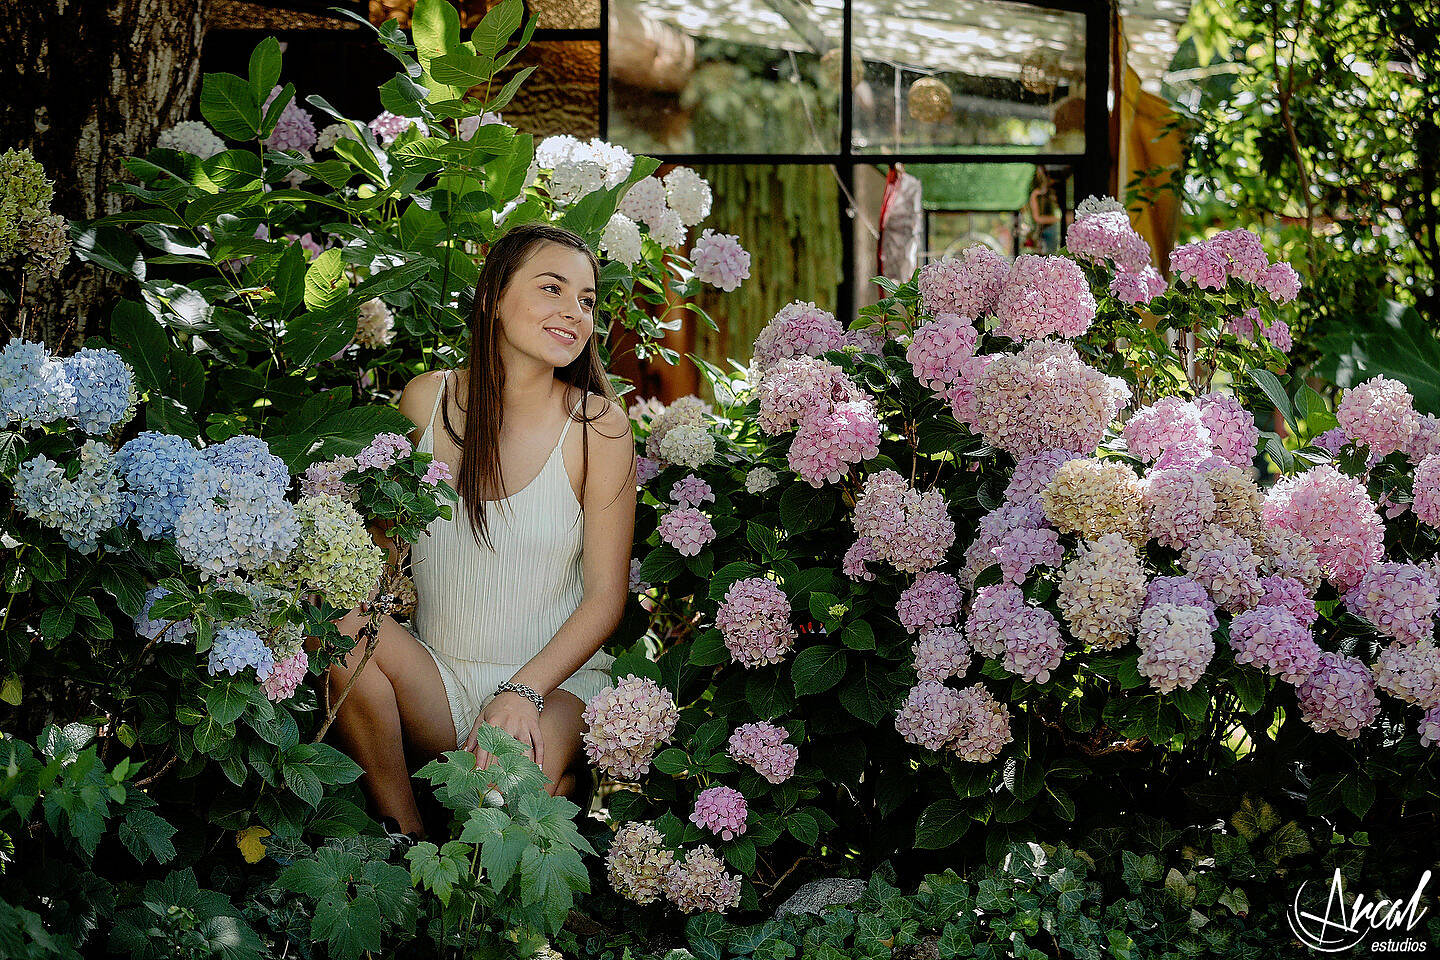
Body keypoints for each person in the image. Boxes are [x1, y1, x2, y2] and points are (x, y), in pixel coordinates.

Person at [321, 223, 638, 845]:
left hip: (551, 687)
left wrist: (523, 690)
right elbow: (388, 555)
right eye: (552, 289)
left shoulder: (598, 425)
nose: (574, 312)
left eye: (587, 300)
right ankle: (403, 841)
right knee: (342, 633)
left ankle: (552, 784)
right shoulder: (425, 401)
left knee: (503, 811)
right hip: (438, 677)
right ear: (494, 295)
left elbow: (606, 599)